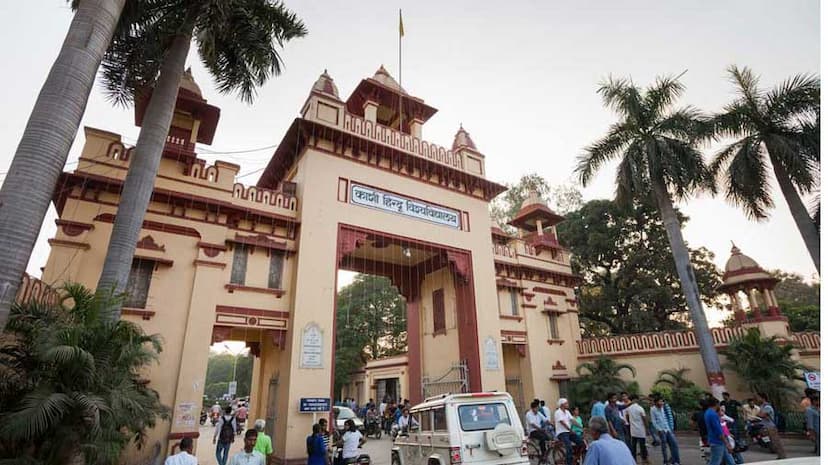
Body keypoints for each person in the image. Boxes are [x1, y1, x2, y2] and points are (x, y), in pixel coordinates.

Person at [650, 395, 680, 465]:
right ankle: (665, 461)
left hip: (668, 429)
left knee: (674, 444)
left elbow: (669, 417)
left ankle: (676, 461)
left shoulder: (664, 407)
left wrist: (670, 428)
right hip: (661, 430)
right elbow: (654, 421)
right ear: (656, 402)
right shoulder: (653, 409)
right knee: (664, 447)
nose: (662, 403)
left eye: (662, 401)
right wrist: (659, 429)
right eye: (660, 401)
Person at [756, 392, 786, 459]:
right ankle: (779, 455)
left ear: (762, 398)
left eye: (758, 397)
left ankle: (782, 455)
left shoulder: (767, 406)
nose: (757, 399)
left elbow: (762, 415)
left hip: (770, 426)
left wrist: (759, 414)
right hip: (765, 426)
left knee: (776, 441)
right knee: (772, 442)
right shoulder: (762, 406)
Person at [705, 398, 735, 465]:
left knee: (729, 459)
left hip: (715, 440)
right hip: (717, 441)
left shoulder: (707, 412)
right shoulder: (713, 415)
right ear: (716, 404)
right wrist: (727, 444)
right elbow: (719, 431)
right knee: (715, 461)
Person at [555, 399, 584, 465]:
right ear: (562, 404)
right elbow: (562, 423)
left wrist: (581, 427)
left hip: (568, 432)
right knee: (569, 447)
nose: (567, 404)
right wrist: (570, 430)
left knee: (581, 442)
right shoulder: (558, 412)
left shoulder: (567, 412)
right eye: (566, 403)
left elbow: (572, 420)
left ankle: (574, 457)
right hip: (562, 433)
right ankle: (569, 463)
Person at [624, 395, 649, 464]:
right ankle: (644, 459)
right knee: (642, 445)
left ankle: (634, 459)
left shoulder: (629, 408)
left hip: (633, 430)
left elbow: (627, 416)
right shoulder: (640, 408)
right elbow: (644, 419)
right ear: (636, 399)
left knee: (633, 446)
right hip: (641, 430)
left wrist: (630, 423)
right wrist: (647, 428)